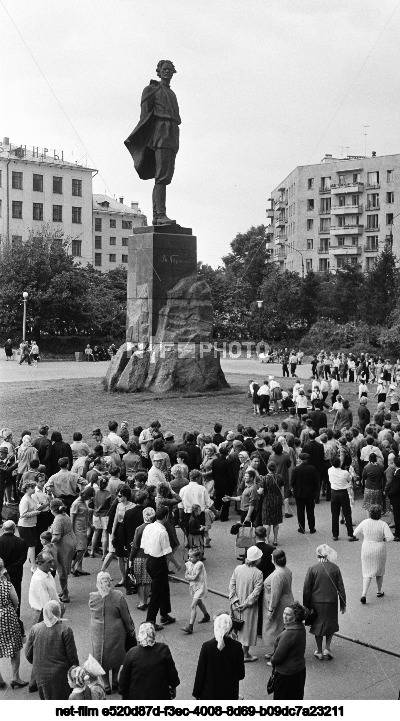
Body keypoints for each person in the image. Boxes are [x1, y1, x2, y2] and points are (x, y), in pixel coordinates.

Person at [125, 59, 181, 226]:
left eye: (170, 69)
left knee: (165, 176)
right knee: (161, 176)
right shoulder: (151, 89)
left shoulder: (171, 93)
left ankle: (159, 216)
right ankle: (159, 215)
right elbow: (145, 118)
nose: (167, 72)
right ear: (158, 71)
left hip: (172, 132)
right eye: (165, 69)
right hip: (161, 133)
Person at [89, 571, 136, 694]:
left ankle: (105, 684)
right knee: (116, 655)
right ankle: (115, 679)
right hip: (116, 631)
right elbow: (125, 615)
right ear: (110, 582)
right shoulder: (117, 596)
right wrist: (130, 629)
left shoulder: (92, 597)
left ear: (98, 584)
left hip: (98, 632)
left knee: (101, 656)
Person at [25, 600, 79, 700]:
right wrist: (75, 674)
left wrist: (39, 663)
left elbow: (28, 654)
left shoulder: (35, 628)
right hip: (60, 675)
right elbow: (72, 657)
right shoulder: (65, 630)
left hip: (41, 675)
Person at [303, 544, 346, 660]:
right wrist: (343, 604)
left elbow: (307, 589)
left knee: (318, 626)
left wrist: (306, 605)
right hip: (331, 601)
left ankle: (319, 650)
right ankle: (327, 647)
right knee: (330, 624)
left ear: (317, 555)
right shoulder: (335, 568)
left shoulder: (313, 568)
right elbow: (341, 587)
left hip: (316, 602)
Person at [141, 505, 181, 629]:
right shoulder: (162, 532)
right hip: (158, 562)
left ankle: (164, 614)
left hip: (149, 560)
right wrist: (176, 564)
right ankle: (150, 620)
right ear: (166, 517)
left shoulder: (149, 527)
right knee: (157, 593)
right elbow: (168, 553)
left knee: (164, 588)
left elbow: (143, 545)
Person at [118, 622, 180, 700]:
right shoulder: (163, 650)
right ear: (153, 634)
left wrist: (123, 694)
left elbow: (124, 677)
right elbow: (171, 672)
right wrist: (173, 687)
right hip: (160, 696)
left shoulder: (132, 653)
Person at [192, 613, 245, 700]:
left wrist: (196, 693)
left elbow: (200, 673)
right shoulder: (237, 646)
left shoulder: (207, 646)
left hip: (209, 694)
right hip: (229, 694)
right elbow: (241, 674)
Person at [229, 545, 264, 662]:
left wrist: (234, 600)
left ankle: (235, 650)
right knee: (248, 629)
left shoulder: (238, 568)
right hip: (248, 607)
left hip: (236, 604)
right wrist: (246, 603)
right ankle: (245, 654)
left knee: (235, 627)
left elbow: (232, 585)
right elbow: (256, 592)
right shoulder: (258, 573)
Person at [353, 505, 394, 603]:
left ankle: (364, 594)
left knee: (367, 572)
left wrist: (365, 535)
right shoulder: (383, 524)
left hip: (366, 547)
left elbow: (355, 533)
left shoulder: (365, 522)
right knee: (379, 571)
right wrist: (383, 538)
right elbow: (390, 538)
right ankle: (379, 591)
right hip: (379, 548)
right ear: (380, 514)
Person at [270, 602, 306, 700]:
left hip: (286, 675)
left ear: (296, 617)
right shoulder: (300, 627)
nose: (284, 616)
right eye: (284, 613)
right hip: (299, 670)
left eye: (288, 614)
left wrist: (272, 660)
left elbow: (278, 657)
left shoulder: (289, 634)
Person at [0, 557, 27, 690]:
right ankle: (15, 677)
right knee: (14, 647)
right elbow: (16, 602)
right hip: (7, 617)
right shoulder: (6, 585)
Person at [263, 549, 294, 662]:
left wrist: (271, 610)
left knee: (276, 630)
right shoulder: (286, 570)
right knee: (281, 629)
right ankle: (276, 651)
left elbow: (275, 594)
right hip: (287, 600)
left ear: (274, 560)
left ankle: (278, 655)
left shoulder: (277, 574)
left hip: (280, 604)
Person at [50, 498, 77, 602]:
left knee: (61, 572)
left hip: (63, 545)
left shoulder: (58, 519)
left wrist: (48, 543)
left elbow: (56, 536)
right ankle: (64, 590)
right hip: (71, 541)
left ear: (52, 509)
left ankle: (65, 595)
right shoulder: (65, 515)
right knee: (65, 569)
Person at [129, 506, 156, 610]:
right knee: (148, 580)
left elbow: (135, 546)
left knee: (139, 581)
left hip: (139, 557)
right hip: (151, 556)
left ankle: (141, 602)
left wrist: (131, 559)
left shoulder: (139, 529)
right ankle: (146, 600)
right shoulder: (156, 528)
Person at [18, 480, 46, 572]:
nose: (34, 489)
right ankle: (33, 566)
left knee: (30, 545)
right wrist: (36, 512)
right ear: (26, 489)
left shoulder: (30, 498)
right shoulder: (25, 500)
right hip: (25, 525)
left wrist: (44, 505)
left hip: (31, 525)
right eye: (32, 488)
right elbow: (23, 514)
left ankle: (31, 564)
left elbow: (37, 506)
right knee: (31, 545)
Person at [328, 457, 358, 542]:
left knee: (334, 514)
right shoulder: (345, 472)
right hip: (343, 493)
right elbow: (350, 479)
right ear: (340, 464)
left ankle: (335, 535)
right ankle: (350, 534)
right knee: (347, 514)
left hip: (334, 493)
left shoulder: (330, 470)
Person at [181, 548, 210, 634]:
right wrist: (189, 577)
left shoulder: (199, 564)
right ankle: (206, 615)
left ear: (198, 557)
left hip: (200, 587)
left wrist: (189, 577)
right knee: (199, 603)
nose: (189, 559)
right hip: (193, 586)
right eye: (189, 557)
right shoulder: (189, 564)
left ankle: (190, 626)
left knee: (193, 605)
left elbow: (194, 577)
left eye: (192, 557)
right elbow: (186, 575)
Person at [0, 520, 27, 610]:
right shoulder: (21, 542)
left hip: (0, 575)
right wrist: (9, 569)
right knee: (16, 596)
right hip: (15, 575)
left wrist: (3, 569)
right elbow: (22, 560)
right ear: (14, 529)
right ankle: (16, 618)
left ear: (3, 529)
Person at [257, 461, 284, 545]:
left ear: (267, 468)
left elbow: (261, 492)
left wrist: (256, 490)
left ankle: (267, 539)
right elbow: (282, 490)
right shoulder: (280, 477)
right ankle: (275, 540)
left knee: (267, 522)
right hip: (277, 500)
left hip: (267, 501)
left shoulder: (264, 478)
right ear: (276, 468)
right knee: (276, 522)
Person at [291, 452, 318, 535]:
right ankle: (312, 528)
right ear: (307, 459)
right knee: (310, 511)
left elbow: (292, 482)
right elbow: (316, 481)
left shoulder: (295, 469)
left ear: (300, 459)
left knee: (300, 511)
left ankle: (301, 528)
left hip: (299, 493)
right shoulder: (312, 468)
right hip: (310, 493)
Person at [70, 486, 94, 576]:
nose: (91, 498)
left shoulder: (83, 502)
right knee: (82, 548)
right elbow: (72, 518)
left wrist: (90, 525)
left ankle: (79, 567)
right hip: (77, 529)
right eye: (90, 496)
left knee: (83, 548)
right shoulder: (76, 503)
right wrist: (71, 531)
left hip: (83, 528)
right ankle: (72, 566)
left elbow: (85, 515)